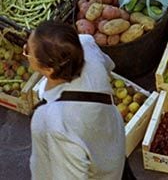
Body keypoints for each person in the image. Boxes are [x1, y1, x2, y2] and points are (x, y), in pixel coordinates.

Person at [26, 21, 127, 180]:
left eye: (27, 52)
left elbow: (70, 175)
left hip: (100, 173)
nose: (26, 55)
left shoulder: (54, 121)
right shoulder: (87, 45)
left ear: (49, 69)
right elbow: (108, 65)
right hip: (114, 142)